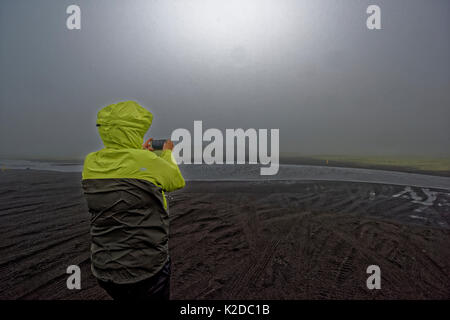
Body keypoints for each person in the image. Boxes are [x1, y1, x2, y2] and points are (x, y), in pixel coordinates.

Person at [81, 101, 185, 300]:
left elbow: (126, 168)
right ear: (136, 131)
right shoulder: (149, 161)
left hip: (104, 265)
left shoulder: (90, 162)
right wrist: (166, 153)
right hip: (146, 268)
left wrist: (140, 152)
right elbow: (175, 181)